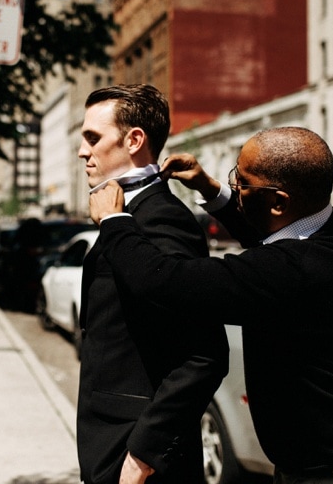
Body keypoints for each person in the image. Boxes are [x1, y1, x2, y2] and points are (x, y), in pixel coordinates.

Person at [88, 127, 333, 484]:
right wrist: (209, 187)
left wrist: (114, 221)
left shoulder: (287, 272)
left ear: (278, 201)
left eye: (241, 181)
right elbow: (269, 232)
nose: (234, 186)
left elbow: (164, 283)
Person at [73, 84, 229, 484]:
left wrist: (141, 457)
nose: (82, 151)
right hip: (108, 441)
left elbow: (204, 354)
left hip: (138, 457)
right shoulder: (122, 207)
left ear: (134, 140)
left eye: (93, 138)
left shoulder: (163, 218)